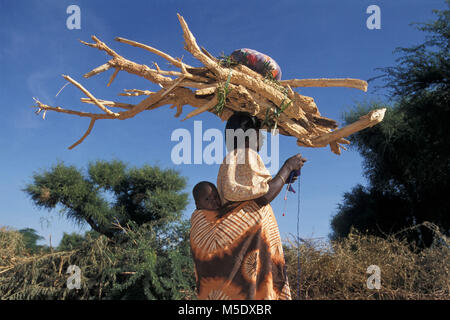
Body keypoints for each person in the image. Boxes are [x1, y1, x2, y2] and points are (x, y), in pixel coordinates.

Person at [190, 111, 306, 300]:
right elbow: (263, 197)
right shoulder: (245, 155)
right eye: (259, 133)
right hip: (246, 241)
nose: (262, 138)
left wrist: (284, 178)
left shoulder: (230, 159)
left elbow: (249, 193)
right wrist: (287, 167)